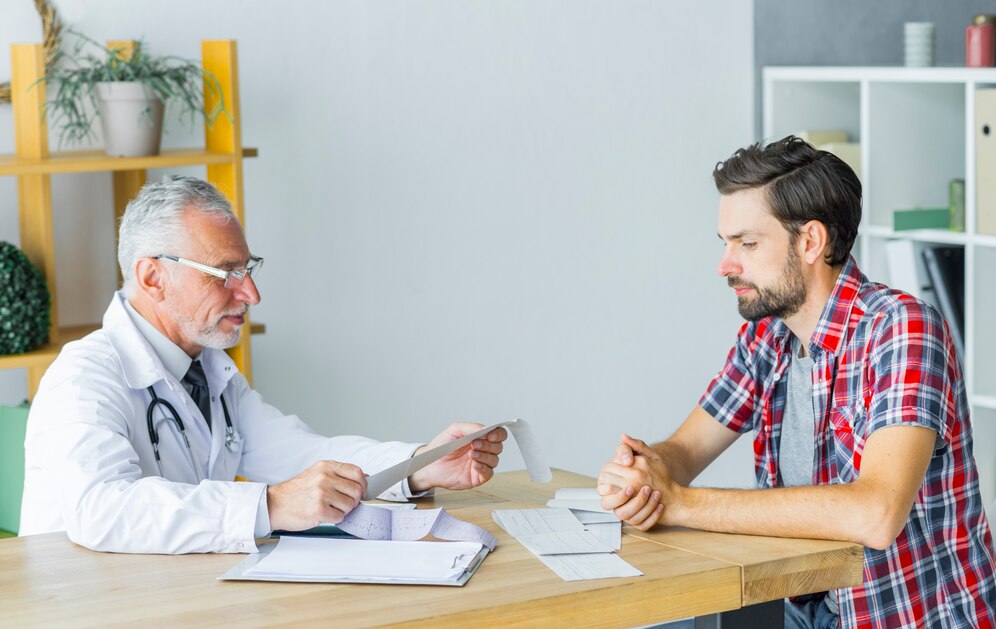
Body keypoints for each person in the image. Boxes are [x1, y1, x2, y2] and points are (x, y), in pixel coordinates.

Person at [598, 136, 995, 628]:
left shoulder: (902, 329)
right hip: (804, 611)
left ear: (810, 242)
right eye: (725, 244)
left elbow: (876, 512)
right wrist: (644, 474)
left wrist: (680, 503)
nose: (725, 265)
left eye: (746, 243)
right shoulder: (767, 336)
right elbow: (685, 450)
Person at [19, 175, 507, 555]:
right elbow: (101, 510)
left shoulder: (208, 371)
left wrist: (420, 463)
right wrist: (270, 505)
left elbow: (302, 454)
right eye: (225, 273)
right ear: (153, 277)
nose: (251, 294)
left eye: (247, 270)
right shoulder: (84, 378)